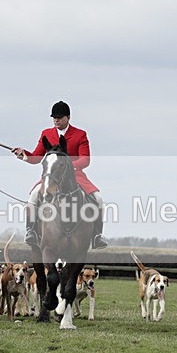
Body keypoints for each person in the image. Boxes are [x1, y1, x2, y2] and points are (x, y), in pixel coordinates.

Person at [12, 100, 108, 249]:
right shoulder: (46, 133)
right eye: (54, 117)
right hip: (52, 176)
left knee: (98, 199)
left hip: (75, 175)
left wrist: (69, 166)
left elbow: (85, 159)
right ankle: (31, 230)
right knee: (33, 196)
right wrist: (24, 155)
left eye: (59, 117)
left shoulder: (80, 135)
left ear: (68, 117)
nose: (56, 120)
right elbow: (37, 157)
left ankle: (97, 236)